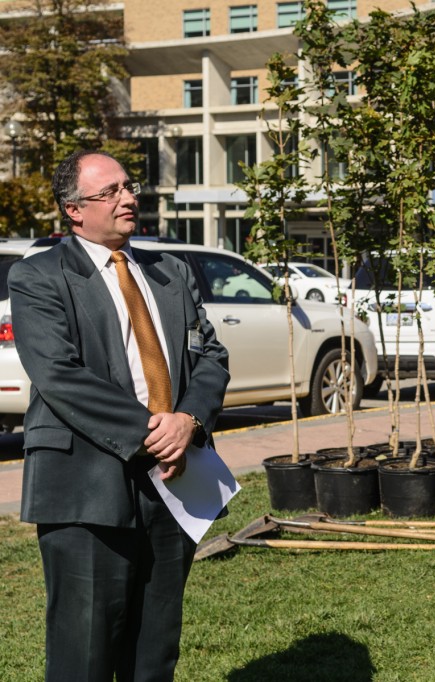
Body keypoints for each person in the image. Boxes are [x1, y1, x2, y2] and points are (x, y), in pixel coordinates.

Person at [10, 150, 230, 681]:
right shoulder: (38, 276)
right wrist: (153, 433)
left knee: (154, 651)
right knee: (83, 652)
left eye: (128, 187)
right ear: (74, 210)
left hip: (173, 484)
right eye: (109, 191)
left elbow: (210, 355)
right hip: (84, 487)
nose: (128, 197)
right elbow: (59, 374)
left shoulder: (170, 270)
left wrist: (188, 421)